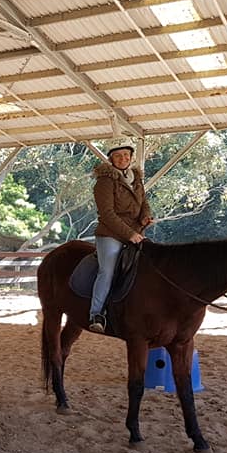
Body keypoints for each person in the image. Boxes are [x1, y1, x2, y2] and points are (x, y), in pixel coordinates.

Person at [88, 141, 153, 334]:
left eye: (126, 155)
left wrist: (145, 216)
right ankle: (96, 313)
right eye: (118, 156)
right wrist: (130, 234)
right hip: (111, 234)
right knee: (107, 271)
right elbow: (107, 214)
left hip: (136, 233)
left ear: (131, 157)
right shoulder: (104, 182)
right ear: (111, 159)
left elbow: (144, 202)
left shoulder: (136, 179)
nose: (123, 159)